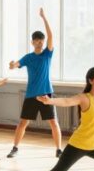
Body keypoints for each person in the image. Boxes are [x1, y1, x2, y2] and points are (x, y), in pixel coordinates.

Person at [6, 8, 62, 159]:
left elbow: (51, 35)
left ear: (43, 42)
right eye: (36, 40)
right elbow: (16, 65)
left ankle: (58, 149)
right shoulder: (28, 57)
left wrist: (44, 18)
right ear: (32, 42)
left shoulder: (47, 54)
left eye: (41, 40)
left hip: (46, 94)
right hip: (31, 95)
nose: (39, 42)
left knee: (53, 123)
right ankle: (15, 148)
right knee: (23, 123)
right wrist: (11, 65)